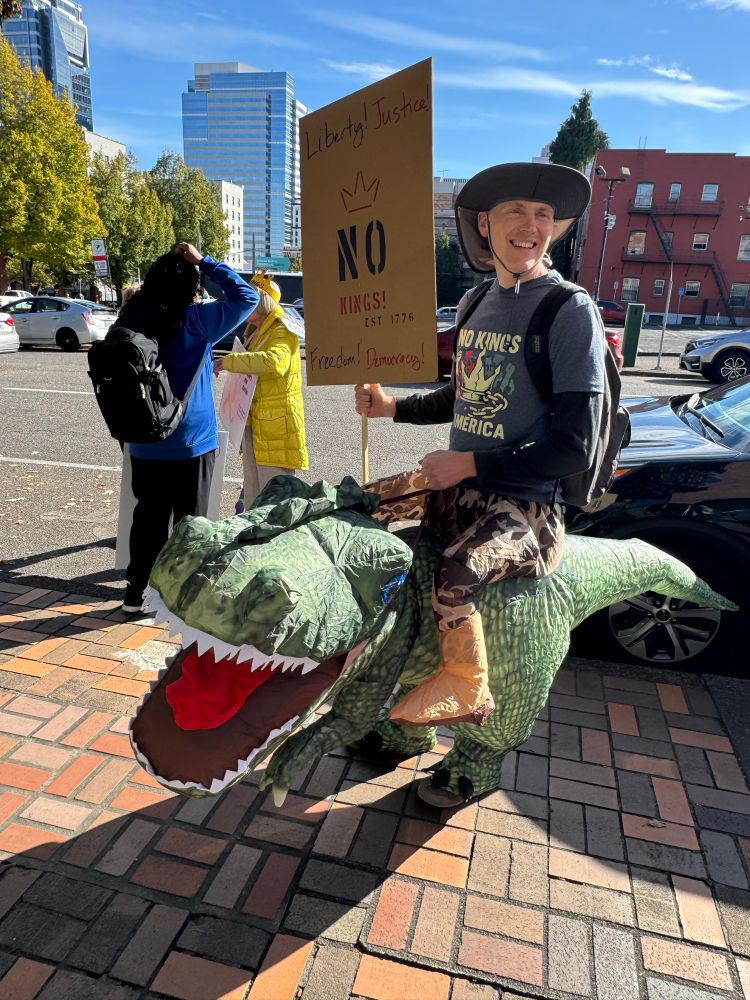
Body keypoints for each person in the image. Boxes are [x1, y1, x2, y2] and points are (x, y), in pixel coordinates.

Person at [355, 161, 606, 731]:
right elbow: (461, 396)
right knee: (361, 503)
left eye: (544, 215)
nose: (531, 225)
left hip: (527, 508)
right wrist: (390, 407)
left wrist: (468, 461)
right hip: (458, 490)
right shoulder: (474, 303)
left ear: (555, 229)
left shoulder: (569, 312)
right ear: (484, 225)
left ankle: (466, 684)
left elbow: (575, 446)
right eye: (515, 211)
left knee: (455, 569)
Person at [120, 242, 258, 613]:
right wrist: (206, 262)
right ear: (190, 288)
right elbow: (247, 297)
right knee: (190, 523)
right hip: (192, 440)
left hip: (144, 438)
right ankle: (180, 598)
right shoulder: (196, 322)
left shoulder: (132, 318)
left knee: (147, 518)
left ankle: (136, 594)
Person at [213, 272, 308, 506]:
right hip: (258, 423)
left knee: (275, 500)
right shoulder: (255, 331)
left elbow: (275, 363)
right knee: (255, 497)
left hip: (276, 427)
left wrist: (228, 361)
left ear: (261, 301)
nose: (242, 304)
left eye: (248, 299)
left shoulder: (281, 329)